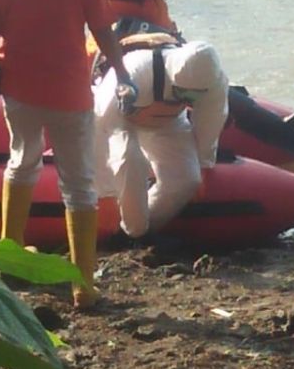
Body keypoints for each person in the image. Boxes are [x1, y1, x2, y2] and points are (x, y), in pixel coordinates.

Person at [0, 0, 134, 308]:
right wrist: (122, 75)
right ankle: (83, 285)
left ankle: (9, 257)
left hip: (21, 93)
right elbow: (103, 31)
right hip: (70, 93)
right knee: (79, 184)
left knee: (20, 163)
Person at [94, 39, 228, 238]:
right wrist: (104, 194)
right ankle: (132, 226)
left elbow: (210, 121)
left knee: (188, 179)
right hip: (120, 121)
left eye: (193, 97)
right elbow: (99, 127)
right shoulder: (136, 70)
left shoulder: (214, 82)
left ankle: (138, 232)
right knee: (131, 161)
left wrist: (204, 164)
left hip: (168, 122)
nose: (187, 99)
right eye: (181, 92)